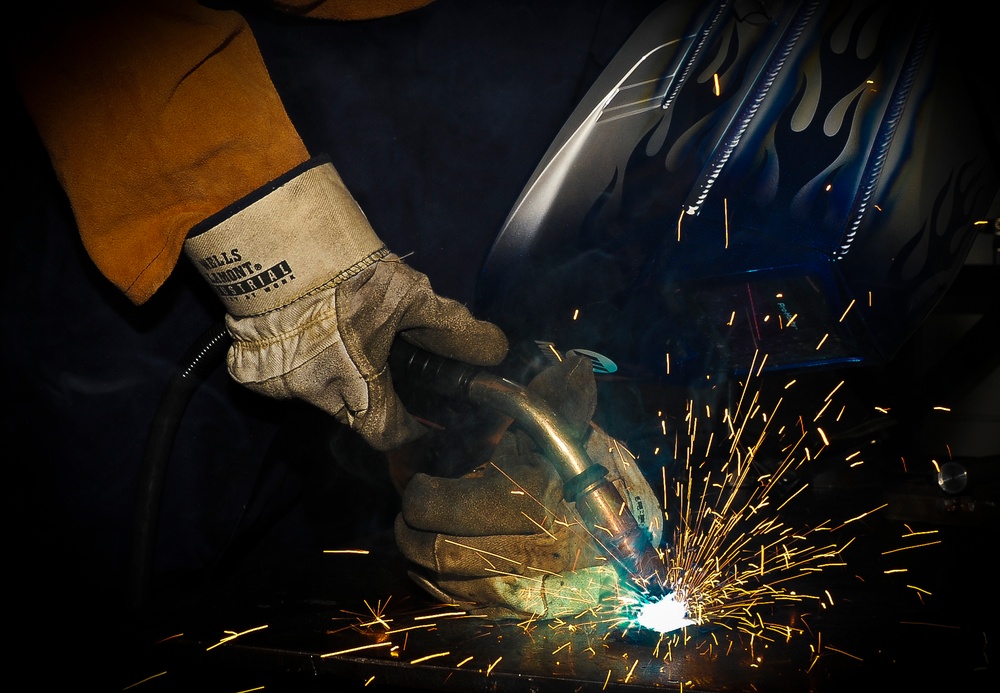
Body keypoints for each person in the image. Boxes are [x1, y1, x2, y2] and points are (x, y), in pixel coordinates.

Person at [7, 1, 666, 685]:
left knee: (318, 611)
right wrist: (247, 209)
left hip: (508, 68)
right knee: (129, 593)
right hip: (162, 100)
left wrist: (520, 417)